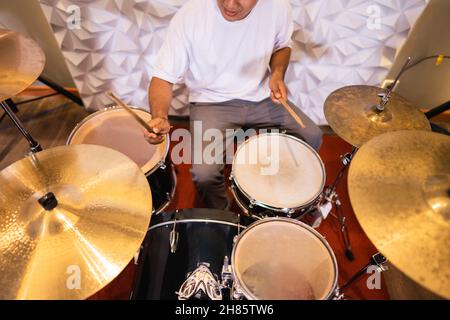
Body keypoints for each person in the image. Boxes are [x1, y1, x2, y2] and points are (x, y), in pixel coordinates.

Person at [145, 0, 323, 210]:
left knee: (312, 136)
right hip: (211, 102)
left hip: (262, 97)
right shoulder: (191, 14)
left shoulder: (278, 7)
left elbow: (282, 46)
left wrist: (277, 74)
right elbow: (162, 78)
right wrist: (160, 116)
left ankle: (279, 194)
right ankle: (225, 215)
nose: (230, 4)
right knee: (204, 175)